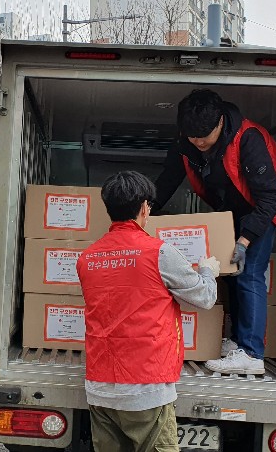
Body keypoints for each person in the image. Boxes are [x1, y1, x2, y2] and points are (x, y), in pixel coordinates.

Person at [154, 89, 276, 376]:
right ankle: (236, 342)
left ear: (220, 122)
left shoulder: (248, 139)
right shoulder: (187, 141)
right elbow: (169, 179)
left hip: (261, 208)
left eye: (205, 137)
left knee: (249, 273)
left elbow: (271, 198)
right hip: (229, 212)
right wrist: (144, 212)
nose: (199, 143)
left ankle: (252, 353)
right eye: (193, 138)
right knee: (228, 274)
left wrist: (245, 240)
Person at [76, 171, 221, 452]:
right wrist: (207, 270)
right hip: (145, 389)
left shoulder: (87, 258)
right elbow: (204, 298)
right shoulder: (159, 253)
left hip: (99, 387)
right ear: (144, 207)